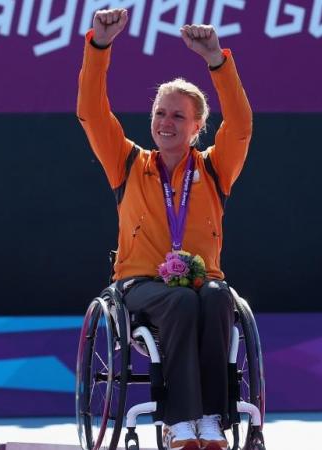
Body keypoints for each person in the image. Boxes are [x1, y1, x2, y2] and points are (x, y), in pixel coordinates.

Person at [77, 8, 252, 450]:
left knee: (215, 297)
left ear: (197, 128)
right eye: (160, 113)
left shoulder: (214, 168)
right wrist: (99, 46)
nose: (165, 123)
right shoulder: (129, 163)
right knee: (180, 300)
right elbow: (91, 113)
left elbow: (243, 126)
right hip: (140, 285)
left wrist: (217, 60)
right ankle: (180, 422)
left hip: (203, 283)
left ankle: (212, 420)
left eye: (178, 116)